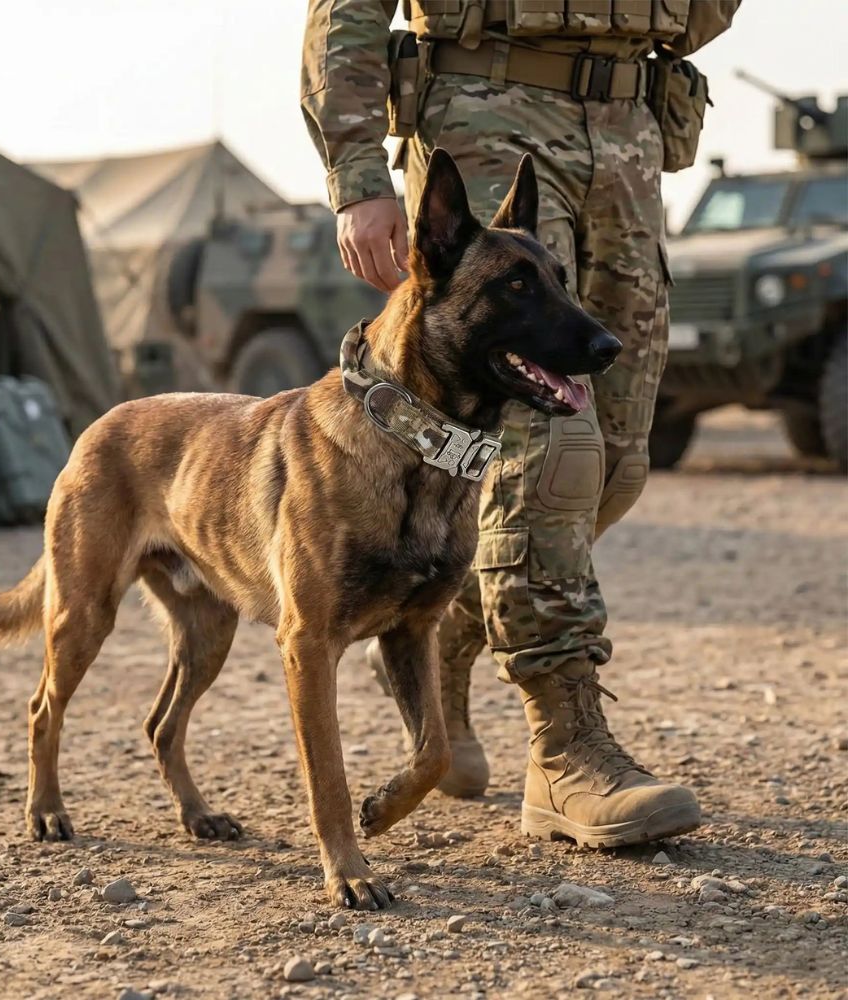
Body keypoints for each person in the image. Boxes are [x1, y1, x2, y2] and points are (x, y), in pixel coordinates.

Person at [301, 0, 741, 847]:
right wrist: (358, 175)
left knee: (615, 458)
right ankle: (565, 747)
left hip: (629, 129)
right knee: (549, 458)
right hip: (484, 112)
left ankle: (432, 638)